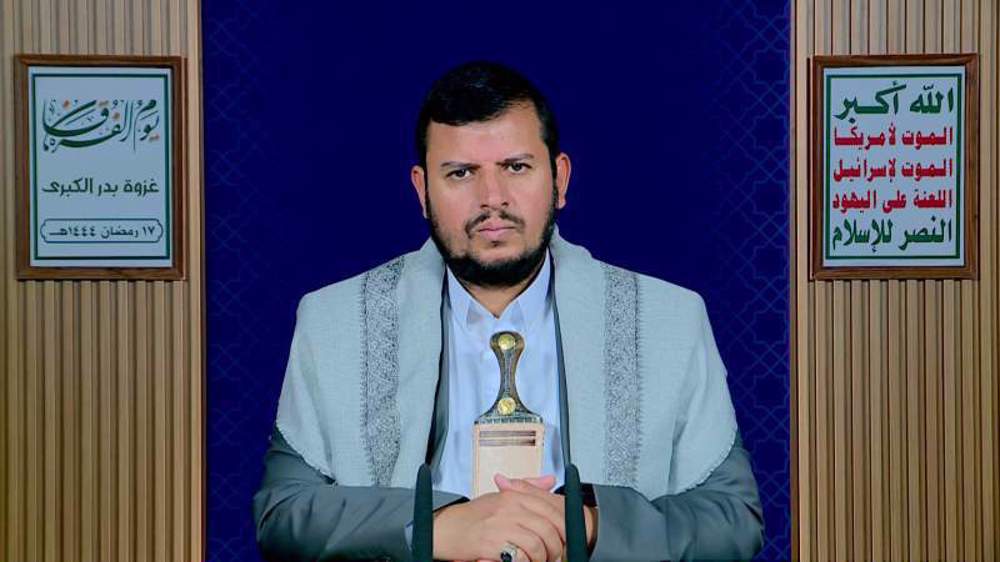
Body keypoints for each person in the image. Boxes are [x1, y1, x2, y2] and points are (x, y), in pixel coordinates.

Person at [252, 61, 764, 562]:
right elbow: (285, 513)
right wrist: (437, 528)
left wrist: (584, 526)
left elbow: (732, 520)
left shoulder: (668, 319)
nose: (492, 198)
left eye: (516, 167)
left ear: (559, 179)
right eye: (460, 173)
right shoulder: (334, 321)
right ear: (421, 190)